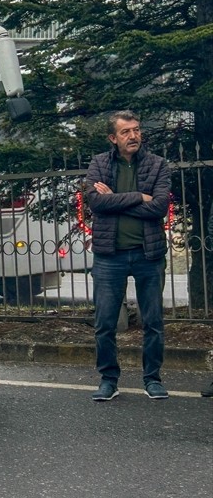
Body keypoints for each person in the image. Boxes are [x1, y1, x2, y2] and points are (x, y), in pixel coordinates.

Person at [83, 112, 171, 401]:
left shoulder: (158, 165)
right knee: (105, 322)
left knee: (153, 321)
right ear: (113, 138)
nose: (133, 136)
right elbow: (96, 203)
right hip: (110, 256)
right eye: (125, 132)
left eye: (136, 130)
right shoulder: (99, 164)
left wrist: (116, 199)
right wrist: (137, 196)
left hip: (149, 254)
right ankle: (109, 379)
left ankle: (152, 379)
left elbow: (159, 208)